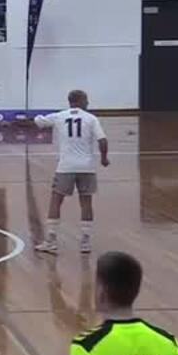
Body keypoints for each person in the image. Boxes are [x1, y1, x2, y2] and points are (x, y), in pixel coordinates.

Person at [31, 90, 109, 254]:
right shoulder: (91, 119)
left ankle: (51, 239)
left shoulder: (60, 116)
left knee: (56, 201)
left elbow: (37, 122)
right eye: (86, 100)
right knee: (86, 202)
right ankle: (85, 241)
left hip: (66, 167)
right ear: (80, 101)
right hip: (87, 168)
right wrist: (103, 158)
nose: (88, 103)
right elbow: (102, 140)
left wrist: (18, 120)